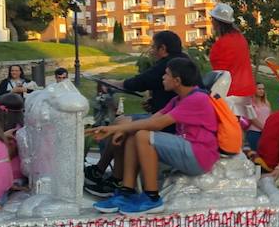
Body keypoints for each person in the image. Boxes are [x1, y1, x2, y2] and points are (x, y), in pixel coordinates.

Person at [87, 57, 219, 215]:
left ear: (177, 80)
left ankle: (152, 198)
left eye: (166, 74)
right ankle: (126, 193)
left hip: (199, 156)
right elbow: (152, 119)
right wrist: (122, 129)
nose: (163, 77)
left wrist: (113, 130)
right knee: (134, 134)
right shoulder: (178, 99)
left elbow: (157, 124)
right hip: (187, 149)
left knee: (143, 136)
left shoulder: (197, 99)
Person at [85, 30, 189, 197]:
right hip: (167, 118)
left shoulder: (170, 65)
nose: (163, 78)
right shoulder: (181, 62)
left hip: (172, 127)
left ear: (163, 48)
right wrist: (153, 102)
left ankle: (112, 177)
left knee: (122, 126)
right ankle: (114, 178)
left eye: (153, 47)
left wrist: (115, 83)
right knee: (122, 124)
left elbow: (140, 82)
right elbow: (170, 101)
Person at [209, 2, 255, 118]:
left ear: (216, 22)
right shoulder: (241, 39)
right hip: (245, 91)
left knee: (226, 131)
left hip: (228, 93)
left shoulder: (221, 44)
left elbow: (219, 74)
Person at [0, 93, 26, 185]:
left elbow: (4, 158)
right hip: (21, 170)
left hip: (10, 172)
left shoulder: (10, 134)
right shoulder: (23, 127)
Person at [245, 82, 271, 151]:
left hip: (265, 133)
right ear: (254, 90)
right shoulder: (250, 102)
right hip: (254, 132)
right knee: (252, 154)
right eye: (259, 89)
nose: (262, 91)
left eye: (263, 89)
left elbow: (270, 116)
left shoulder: (266, 102)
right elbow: (252, 118)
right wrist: (263, 128)